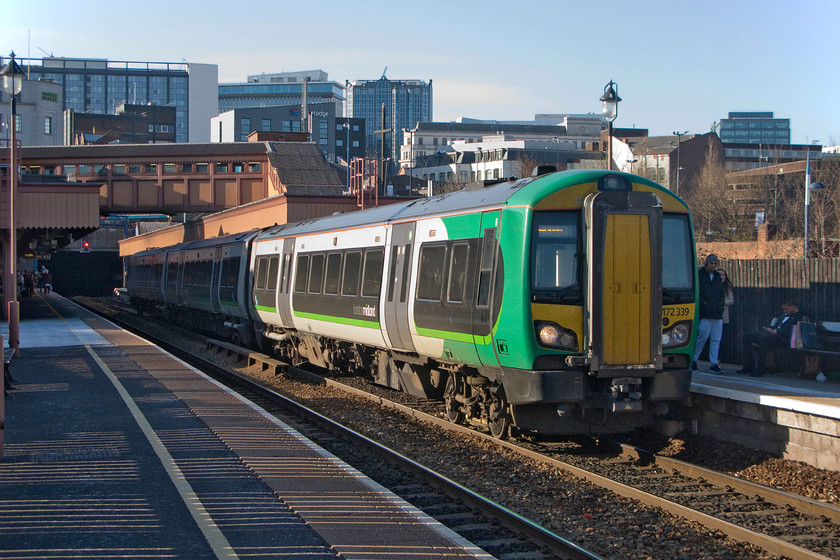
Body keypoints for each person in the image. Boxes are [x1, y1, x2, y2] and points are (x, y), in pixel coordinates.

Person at [738, 300, 804, 377]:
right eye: (783, 309)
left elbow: (794, 332)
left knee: (765, 339)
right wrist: (771, 329)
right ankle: (748, 365)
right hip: (774, 335)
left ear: (793, 306)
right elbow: (777, 326)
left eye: (786, 309)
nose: (784, 311)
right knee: (748, 337)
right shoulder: (784, 315)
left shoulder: (799, 317)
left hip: (784, 339)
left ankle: (761, 368)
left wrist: (778, 331)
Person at [693, 254, 725, 373]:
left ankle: (714, 362)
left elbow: (721, 293)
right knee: (702, 337)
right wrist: (704, 304)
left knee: (716, 339)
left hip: (717, 313)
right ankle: (694, 360)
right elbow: (698, 291)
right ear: (706, 263)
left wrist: (720, 305)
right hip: (705, 312)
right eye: (711, 263)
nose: (713, 265)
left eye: (715, 263)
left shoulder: (717, 276)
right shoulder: (700, 275)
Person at [718, 268, 735, 345]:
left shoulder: (727, 287)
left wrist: (722, 302)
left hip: (724, 317)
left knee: (722, 339)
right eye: (720, 275)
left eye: (723, 275)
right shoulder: (712, 286)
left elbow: (731, 300)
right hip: (713, 316)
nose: (721, 276)